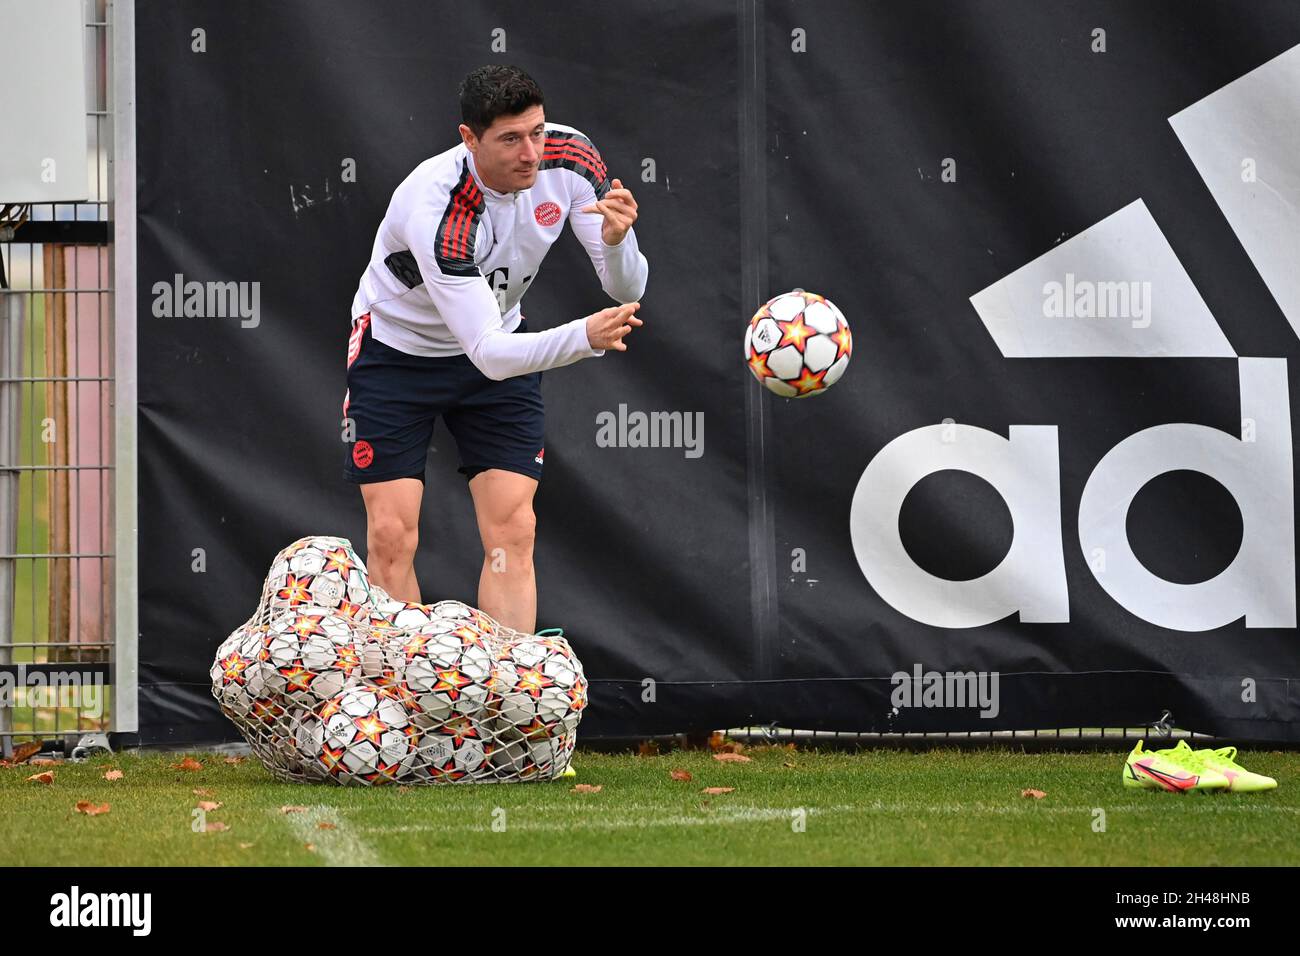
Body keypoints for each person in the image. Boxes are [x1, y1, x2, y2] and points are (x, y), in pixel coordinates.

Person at [342, 64, 648, 633]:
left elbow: (626, 288)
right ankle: (404, 701)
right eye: (510, 139)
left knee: (513, 531)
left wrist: (618, 240)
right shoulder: (439, 208)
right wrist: (583, 337)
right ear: (469, 139)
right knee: (392, 536)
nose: (531, 152)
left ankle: (503, 704)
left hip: (498, 347)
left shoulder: (572, 158)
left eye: (536, 131)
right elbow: (486, 350)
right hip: (398, 355)